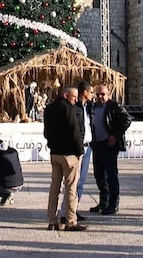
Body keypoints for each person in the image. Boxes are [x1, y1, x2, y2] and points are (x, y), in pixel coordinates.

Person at [44, 86, 85, 231]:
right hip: (69, 154)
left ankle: (52, 219)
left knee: (55, 187)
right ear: (66, 95)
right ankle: (70, 220)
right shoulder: (68, 109)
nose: (75, 100)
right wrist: (80, 151)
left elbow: (46, 132)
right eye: (74, 97)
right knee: (71, 188)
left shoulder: (49, 108)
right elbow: (75, 132)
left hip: (55, 152)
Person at [90, 83, 131, 215]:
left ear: (109, 94)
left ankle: (113, 204)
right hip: (97, 144)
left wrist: (115, 135)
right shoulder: (94, 107)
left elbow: (127, 120)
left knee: (111, 176)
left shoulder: (114, 107)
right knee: (99, 175)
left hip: (109, 145)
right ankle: (104, 202)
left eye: (102, 94)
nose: (100, 97)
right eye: (97, 94)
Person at [59, 81, 94, 224]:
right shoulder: (76, 108)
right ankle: (67, 211)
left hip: (87, 147)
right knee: (74, 181)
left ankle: (73, 209)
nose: (93, 95)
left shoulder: (88, 107)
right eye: (91, 92)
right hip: (78, 148)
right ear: (84, 92)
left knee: (81, 181)